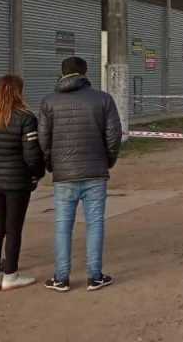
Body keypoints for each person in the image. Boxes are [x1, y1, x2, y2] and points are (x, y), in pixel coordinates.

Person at [40, 57, 122, 292]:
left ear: (62, 72)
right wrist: (108, 160)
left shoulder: (49, 102)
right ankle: (94, 276)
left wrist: (51, 163)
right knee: (95, 223)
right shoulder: (103, 99)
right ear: (85, 73)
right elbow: (113, 136)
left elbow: (44, 140)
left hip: (64, 173)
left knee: (62, 225)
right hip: (96, 170)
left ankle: (61, 277)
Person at [0, 75, 45, 292]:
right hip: (17, 181)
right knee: (14, 229)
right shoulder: (25, 117)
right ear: (18, 93)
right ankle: (11, 274)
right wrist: (37, 174)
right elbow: (32, 155)